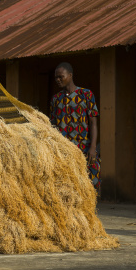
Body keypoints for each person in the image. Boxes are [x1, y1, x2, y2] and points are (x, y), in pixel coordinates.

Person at [49, 62, 101, 191]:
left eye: (61, 76)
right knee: (65, 185)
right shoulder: (56, 99)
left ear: (70, 75)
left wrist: (93, 147)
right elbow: (52, 126)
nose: (58, 80)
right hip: (63, 148)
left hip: (83, 146)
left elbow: (93, 123)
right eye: (56, 77)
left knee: (90, 181)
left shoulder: (86, 95)